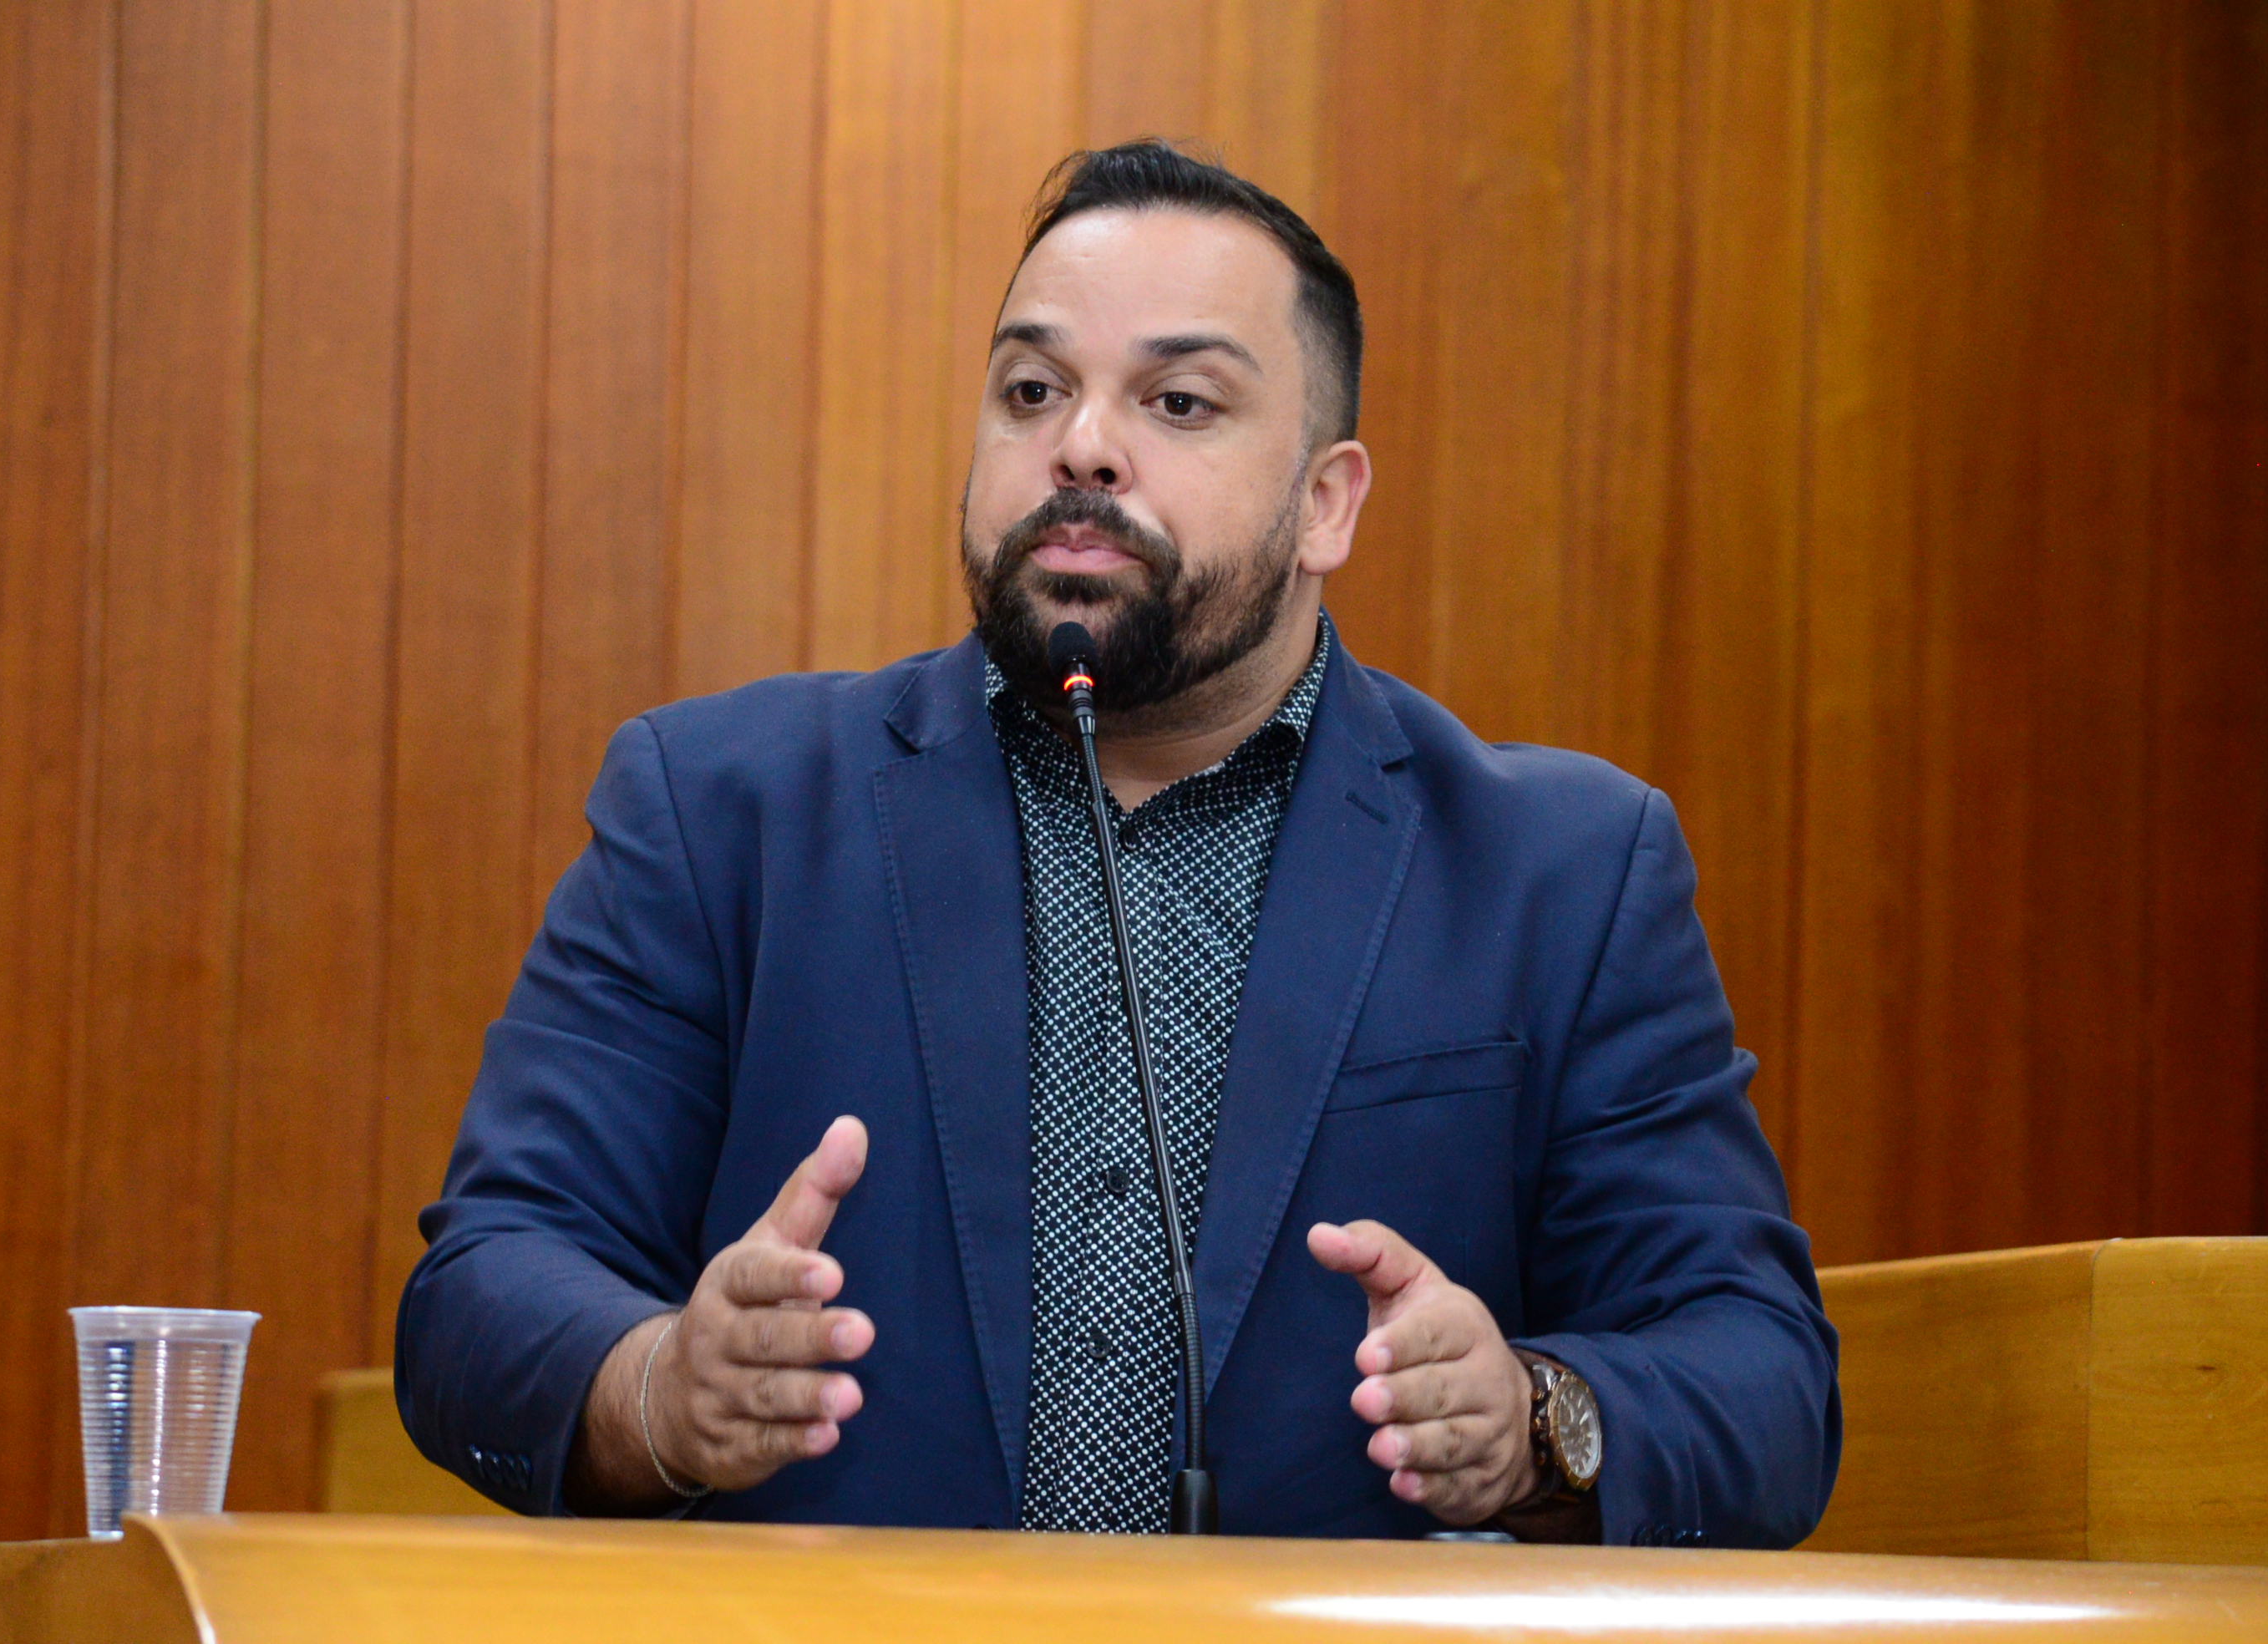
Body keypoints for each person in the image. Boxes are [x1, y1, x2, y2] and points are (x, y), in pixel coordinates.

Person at [398, 140, 1839, 1545]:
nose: (1081, 445)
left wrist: (1530, 1420)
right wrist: (659, 1389)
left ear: (1325, 504)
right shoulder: (722, 811)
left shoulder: (1559, 872)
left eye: (1180, 402)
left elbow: (1761, 1374)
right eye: (1032, 390)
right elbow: (484, 1283)